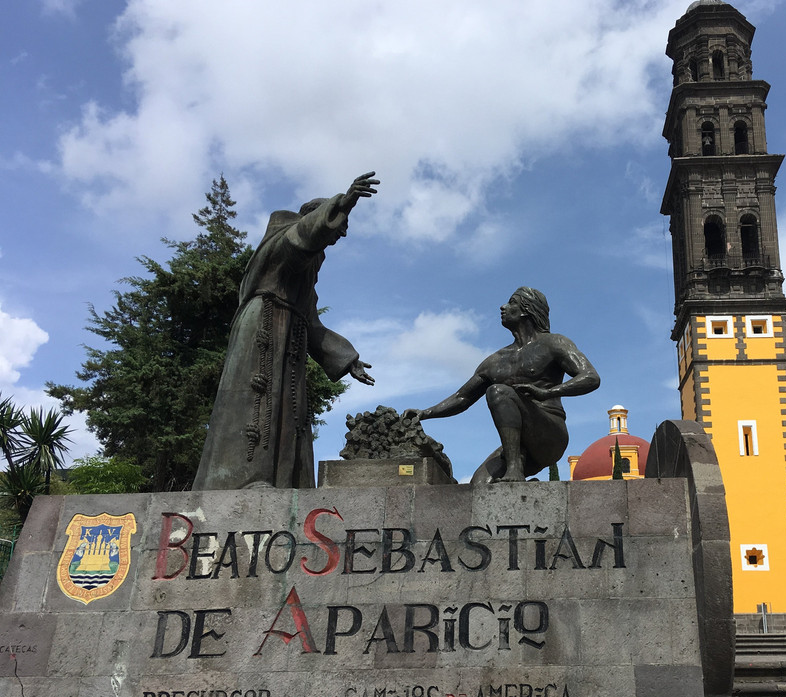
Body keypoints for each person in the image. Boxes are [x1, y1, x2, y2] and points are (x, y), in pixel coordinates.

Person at [193, 173, 379, 490]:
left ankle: (282, 481)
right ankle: (247, 477)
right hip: (264, 324)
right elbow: (302, 239)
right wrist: (343, 203)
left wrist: (347, 360)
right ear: (318, 219)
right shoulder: (282, 241)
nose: (338, 237)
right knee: (258, 401)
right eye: (337, 228)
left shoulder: (307, 269)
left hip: (291, 331)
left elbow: (312, 318)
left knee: (287, 411)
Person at [407, 287, 600, 484]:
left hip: (549, 433)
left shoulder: (554, 343)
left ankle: (515, 471)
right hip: (518, 445)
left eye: (512, 302)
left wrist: (546, 392)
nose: (503, 307)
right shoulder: (495, 361)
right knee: (479, 484)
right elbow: (462, 397)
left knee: (498, 391)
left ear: (526, 309)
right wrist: (425, 413)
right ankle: (526, 484)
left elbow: (590, 377)